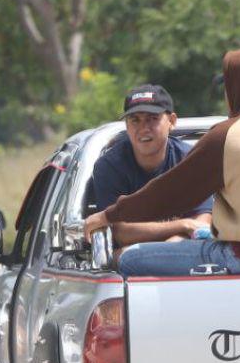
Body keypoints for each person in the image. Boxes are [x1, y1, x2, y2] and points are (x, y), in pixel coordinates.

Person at [84, 46, 240, 276]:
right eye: (135, 120)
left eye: (228, 86)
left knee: (129, 259)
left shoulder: (228, 135)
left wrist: (107, 216)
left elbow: (169, 194)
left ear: (239, 88)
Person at [90, 84, 213, 248]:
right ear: (126, 125)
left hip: (186, 254)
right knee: (124, 256)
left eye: (152, 119)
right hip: (132, 264)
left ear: (172, 121)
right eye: (135, 120)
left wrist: (170, 248)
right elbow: (120, 233)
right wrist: (183, 226)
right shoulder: (110, 166)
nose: (143, 128)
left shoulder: (191, 160)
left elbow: (202, 223)